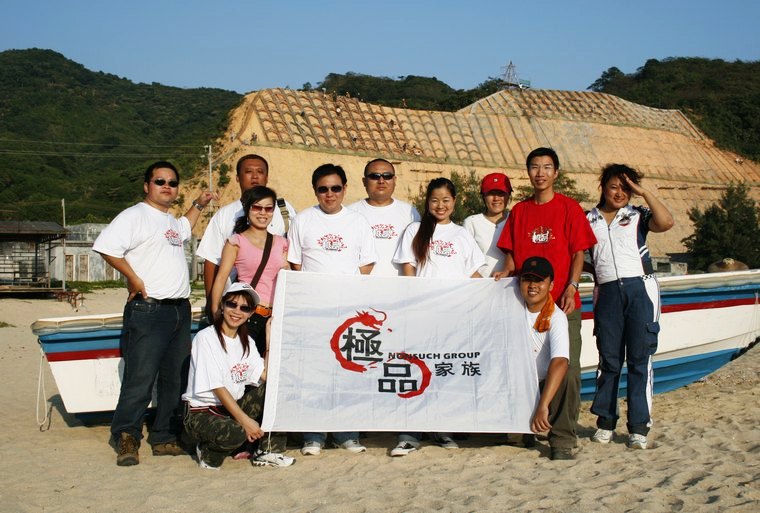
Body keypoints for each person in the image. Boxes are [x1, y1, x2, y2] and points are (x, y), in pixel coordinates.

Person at [93, 161, 217, 466]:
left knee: (174, 378)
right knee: (140, 376)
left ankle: (163, 436)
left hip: (179, 310)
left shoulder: (171, 221)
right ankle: (127, 436)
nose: (166, 186)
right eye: (160, 181)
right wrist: (133, 278)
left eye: (172, 182)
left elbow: (185, 228)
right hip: (149, 309)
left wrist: (198, 204)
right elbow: (106, 247)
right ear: (147, 185)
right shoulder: (134, 215)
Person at [495, 147, 596, 460]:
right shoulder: (520, 211)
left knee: (568, 369)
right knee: (519, 365)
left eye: (547, 167)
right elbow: (512, 254)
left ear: (556, 172)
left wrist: (572, 286)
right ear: (528, 172)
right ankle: (523, 427)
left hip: (563, 303)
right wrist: (506, 272)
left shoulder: (569, 208)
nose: (540, 173)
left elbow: (578, 253)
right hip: (525, 305)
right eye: (534, 167)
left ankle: (562, 437)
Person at [390, 177, 486, 456]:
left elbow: (473, 273)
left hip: (453, 317)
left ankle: (442, 428)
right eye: (434, 200)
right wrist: (414, 301)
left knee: (444, 371)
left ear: (454, 202)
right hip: (421, 314)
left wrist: (497, 290)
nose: (440, 205)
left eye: (446, 200)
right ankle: (409, 433)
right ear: (427, 202)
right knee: (416, 370)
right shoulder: (415, 230)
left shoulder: (462, 235)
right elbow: (408, 269)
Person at [287, 163, 377, 455]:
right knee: (314, 373)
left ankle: (346, 433)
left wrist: (346, 293)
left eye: (335, 188)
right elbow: (295, 263)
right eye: (323, 189)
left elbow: (367, 263)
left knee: (347, 371)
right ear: (315, 191)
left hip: (348, 311)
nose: (330, 194)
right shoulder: (302, 220)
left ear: (345, 189)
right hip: (313, 310)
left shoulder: (358, 222)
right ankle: (313, 435)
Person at [585, 164, 674, 450]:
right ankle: (605, 423)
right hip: (607, 291)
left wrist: (644, 192)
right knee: (609, 360)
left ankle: (638, 427)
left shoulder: (637, 215)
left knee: (640, 359)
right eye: (614, 186)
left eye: (626, 188)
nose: (619, 193)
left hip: (640, 289)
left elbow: (666, 222)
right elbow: (578, 257)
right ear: (603, 187)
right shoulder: (588, 219)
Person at [183, 282, 294, 469]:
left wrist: (269, 339)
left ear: (251, 313)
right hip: (202, 412)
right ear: (222, 305)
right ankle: (207, 450)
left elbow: (266, 376)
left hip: (231, 408)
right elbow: (217, 387)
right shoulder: (206, 338)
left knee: (276, 389)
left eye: (245, 308)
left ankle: (268, 450)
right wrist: (245, 421)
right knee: (236, 433)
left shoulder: (247, 341)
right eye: (232, 304)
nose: (237, 311)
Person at [197, 154, 296, 314]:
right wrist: (211, 305)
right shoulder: (224, 216)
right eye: (248, 171)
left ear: (267, 177)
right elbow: (211, 261)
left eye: (260, 172)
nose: (255, 176)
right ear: (237, 177)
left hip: (277, 304)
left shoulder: (285, 211)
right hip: (236, 306)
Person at [210, 186, 289, 357]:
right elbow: (221, 278)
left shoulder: (282, 243)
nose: (263, 213)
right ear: (247, 209)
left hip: (275, 319)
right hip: (248, 316)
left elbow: (289, 279)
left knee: (269, 369)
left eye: (268, 208)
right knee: (242, 367)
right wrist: (216, 312)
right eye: (257, 207)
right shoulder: (235, 242)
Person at [516, 257, 571, 457]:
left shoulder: (557, 316)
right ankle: (521, 432)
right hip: (519, 383)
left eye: (539, 280)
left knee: (567, 375)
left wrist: (542, 405)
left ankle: (561, 440)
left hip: (543, 384)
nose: (532, 286)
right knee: (513, 438)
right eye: (527, 279)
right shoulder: (509, 309)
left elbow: (560, 361)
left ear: (551, 285)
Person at [349, 158, 420, 276]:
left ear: (395, 180)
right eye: (374, 176)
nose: (381, 181)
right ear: (364, 181)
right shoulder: (350, 213)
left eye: (387, 176)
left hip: (400, 286)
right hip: (361, 284)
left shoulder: (410, 213)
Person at [463, 172, 512, 277]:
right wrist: (482, 282)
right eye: (491, 193)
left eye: (501, 193)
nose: (496, 198)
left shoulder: (515, 220)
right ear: (483, 196)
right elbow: (465, 259)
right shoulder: (471, 222)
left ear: (508, 196)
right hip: (480, 284)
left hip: (510, 283)